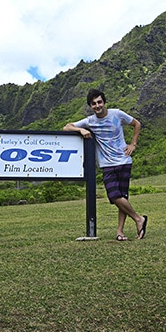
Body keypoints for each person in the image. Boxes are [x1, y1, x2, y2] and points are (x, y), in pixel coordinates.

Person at [63, 89, 148, 241]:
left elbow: (137, 124)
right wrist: (80, 129)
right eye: (94, 104)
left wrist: (133, 144)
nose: (97, 106)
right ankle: (138, 219)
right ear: (90, 106)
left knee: (122, 197)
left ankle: (120, 232)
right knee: (114, 195)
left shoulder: (117, 114)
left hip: (124, 160)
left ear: (104, 102)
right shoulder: (90, 121)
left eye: (99, 102)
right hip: (107, 164)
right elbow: (66, 127)